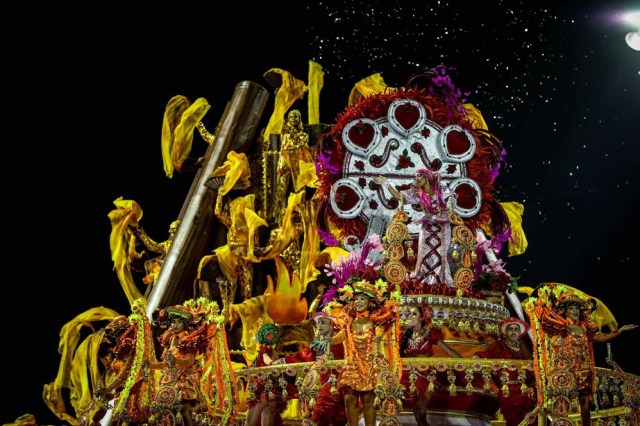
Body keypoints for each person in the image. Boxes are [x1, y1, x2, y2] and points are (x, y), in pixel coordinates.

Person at [540, 293, 638, 426]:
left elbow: (601, 337)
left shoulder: (585, 327)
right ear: (565, 311)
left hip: (584, 370)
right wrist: (555, 343)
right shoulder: (562, 327)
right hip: (567, 371)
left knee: (585, 403)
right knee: (564, 402)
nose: (575, 311)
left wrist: (620, 330)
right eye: (571, 308)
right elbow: (553, 342)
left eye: (577, 308)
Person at [331, 280, 400, 426]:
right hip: (352, 365)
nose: (358, 302)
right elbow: (339, 338)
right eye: (356, 299)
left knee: (368, 401)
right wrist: (326, 338)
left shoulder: (376, 322)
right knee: (349, 399)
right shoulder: (349, 322)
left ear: (370, 302)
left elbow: (382, 334)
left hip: (369, 365)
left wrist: (380, 335)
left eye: (362, 299)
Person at [374, 169, 456, 286]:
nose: (416, 179)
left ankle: (442, 283)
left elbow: (451, 201)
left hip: (443, 227)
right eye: (415, 177)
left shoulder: (441, 190)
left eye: (419, 176)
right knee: (424, 255)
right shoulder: (417, 193)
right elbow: (399, 196)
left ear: (426, 177)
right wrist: (385, 183)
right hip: (427, 227)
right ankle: (426, 283)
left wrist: (449, 204)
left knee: (441, 254)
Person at [399, 303, 461, 426]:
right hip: (408, 376)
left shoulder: (430, 333)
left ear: (422, 318)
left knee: (419, 408)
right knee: (416, 410)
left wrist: (466, 362)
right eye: (409, 314)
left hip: (426, 376)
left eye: (414, 314)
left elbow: (449, 350)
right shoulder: (405, 335)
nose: (410, 317)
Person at [285, 311, 347, 426]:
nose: (319, 326)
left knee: (325, 414)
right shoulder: (317, 343)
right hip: (317, 385)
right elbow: (305, 356)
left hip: (334, 384)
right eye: (318, 323)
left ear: (332, 325)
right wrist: (284, 360)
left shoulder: (339, 342)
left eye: (323, 323)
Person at [151, 304, 209, 426]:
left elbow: (190, 361)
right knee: (163, 414)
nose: (174, 325)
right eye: (173, 322)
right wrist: (150, 365)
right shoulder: (170, 339)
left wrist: (176, 361)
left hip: (184, 380)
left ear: (185, 324)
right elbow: (166, 364)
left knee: (184, 411)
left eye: (178, 322)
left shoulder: (189, 339)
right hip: (169, 381)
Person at [474, 317, 535, 426]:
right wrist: (477, 357)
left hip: (523, 392)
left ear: (519, 332)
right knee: (513, 421)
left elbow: (526, 369)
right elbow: (485, 355)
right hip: (508, 391)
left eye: (516, 329)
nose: (513, 332)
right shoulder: (499, 345)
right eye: (510, 329)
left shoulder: (520, 347)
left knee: (528, 421)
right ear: (505, 332)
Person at [245, 323, 290, 426]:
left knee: (249, 423)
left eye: (257, 334)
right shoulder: (274, 352)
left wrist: (271, 364)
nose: (255, 336)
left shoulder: (265, 350)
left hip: (262, 392)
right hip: (273, 394)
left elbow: (265, 358)